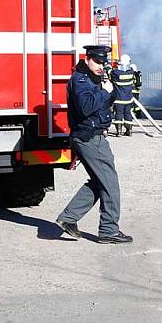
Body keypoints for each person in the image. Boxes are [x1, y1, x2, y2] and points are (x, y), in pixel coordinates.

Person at [56, 45, 132, 244]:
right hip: (90, 137)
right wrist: (104, 92)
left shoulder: (93, 77)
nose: (101, 66)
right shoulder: (80, 80)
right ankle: (109, 230)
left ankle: (68, 218)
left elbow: (109, 99)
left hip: (91, 136)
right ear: (87, 58)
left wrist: (110, 88)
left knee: (99, 183)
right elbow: (85, 108)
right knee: (110, 185)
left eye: (104, 62)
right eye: (98, 62)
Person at [110, 54, 135, 137]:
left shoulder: (116, 73)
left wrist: (108, 67)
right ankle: (129, 130)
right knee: (128, 114)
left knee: (119, 114)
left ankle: (119, 131)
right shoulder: (131, 73)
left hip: (119, 99)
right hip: (128, 99)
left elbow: (111, 73)